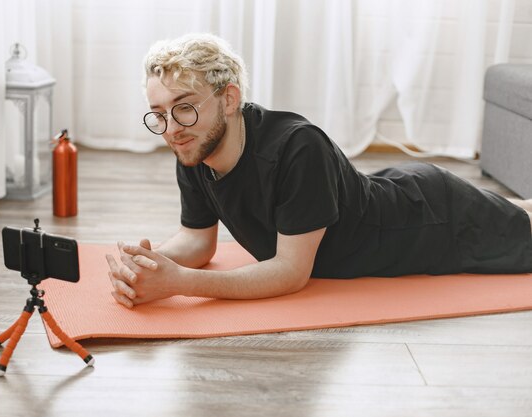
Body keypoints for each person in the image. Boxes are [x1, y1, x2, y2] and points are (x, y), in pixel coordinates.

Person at [106, 33, 532, 309]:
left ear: (229, 98)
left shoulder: (296, 146)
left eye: (184, 106)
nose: (171, 128)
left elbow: (290, 272)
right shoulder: (194, 146)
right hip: (389, 196)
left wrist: (180, 284)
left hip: (433, 222)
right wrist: (150, 263)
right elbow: (198, 240)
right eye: (158, 113)